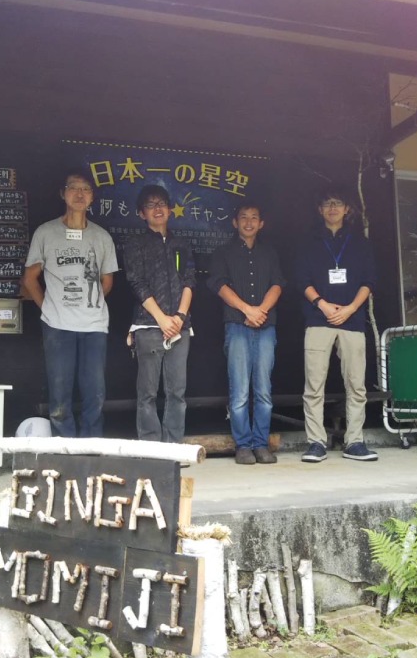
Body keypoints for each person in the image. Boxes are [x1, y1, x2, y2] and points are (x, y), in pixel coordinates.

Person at [21, 167, 118, 437]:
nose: (80, 194)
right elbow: (30, 279)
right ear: (63, 194)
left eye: (85, 189)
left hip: (94, 325)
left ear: (92, 197)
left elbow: (107, 281)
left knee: (94, 391)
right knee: (60, 392)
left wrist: (89, 303)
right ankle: (65, 448)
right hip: (57, 324)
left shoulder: (101, 237)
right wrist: (50, 308)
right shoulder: (46, 232)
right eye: (74, 187)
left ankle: (91, 447)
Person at [296, 188, 378, 462]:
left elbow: (369, 281)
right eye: (327, 203)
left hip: (352, 320)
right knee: (313, 385)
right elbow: (302, 281)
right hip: (319, 318)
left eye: (338, 203)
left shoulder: (359, 243)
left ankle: (355, 441)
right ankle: (316, 442)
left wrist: (352, 308)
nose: (332, 207)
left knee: (356, 385)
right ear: (320, 210)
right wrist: (322, 304)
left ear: (347, 209)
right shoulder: (308, 242)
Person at [207, 203, 285, 465]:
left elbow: (277, 284)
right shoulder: (223, 252)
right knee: (239, 390)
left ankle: (261, 444)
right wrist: (247, 310)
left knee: (263, 389)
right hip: (237, 325)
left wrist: (260, 310)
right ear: (234, 222)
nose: (249, 222)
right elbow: (218, 285)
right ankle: (243, 445)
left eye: (254, 218)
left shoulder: (270, 252)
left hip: (266, 326)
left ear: (261, 223)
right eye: (244, 218)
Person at [123, 184, 195, 443]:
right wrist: (162, 319)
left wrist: (179, 317)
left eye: (162, 203)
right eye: (151, 205)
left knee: (177, 392)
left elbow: (190, 281)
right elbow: (136, 283)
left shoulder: (182, 243)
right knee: (148, 393)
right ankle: (152, 448)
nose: (158, 209)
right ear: (141, 213)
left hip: (180, 326)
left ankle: (174, 447)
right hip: (148, 326)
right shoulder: (135, 244)